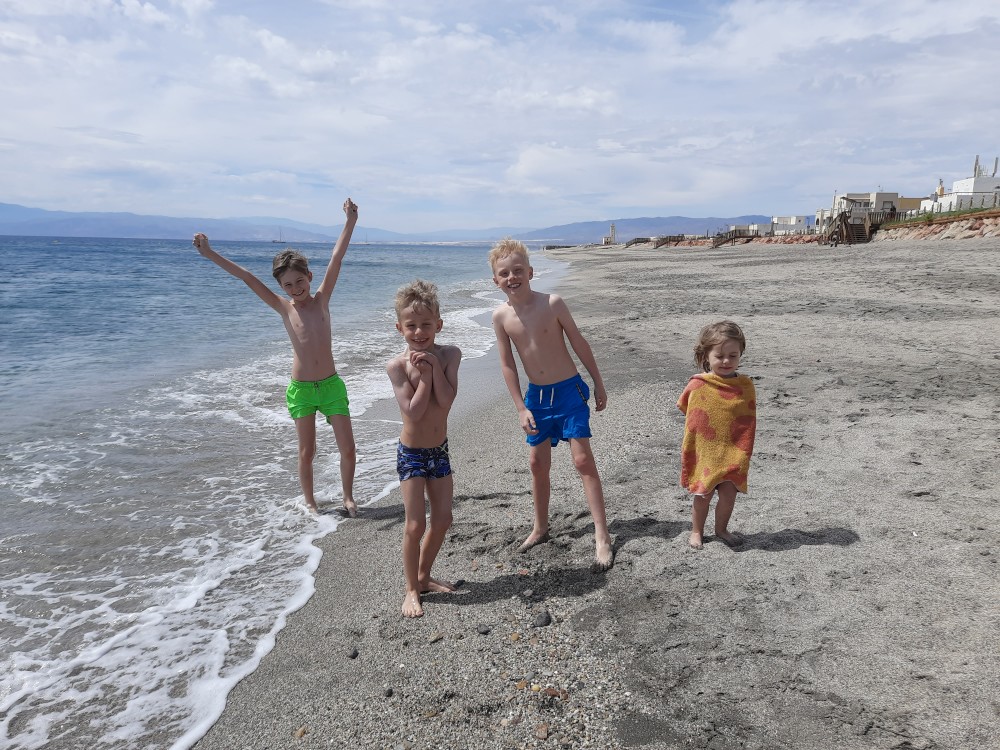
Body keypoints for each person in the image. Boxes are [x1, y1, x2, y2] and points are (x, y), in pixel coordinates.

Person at [192, 199, 359, 516]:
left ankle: (348, 497)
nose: (295, 288)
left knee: (348, 448)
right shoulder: (283, 307)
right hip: (302, 391)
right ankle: (310, 502)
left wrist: (350, 222)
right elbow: (247, 277)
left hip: (331, 387)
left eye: (300, 281)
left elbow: (337, 258)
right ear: (281, 287)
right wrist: (209, 253)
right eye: (288, 285)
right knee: (307, 451)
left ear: (310, 276)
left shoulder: (322, 300)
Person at [489, 239, 614, 572]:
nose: (512, 277)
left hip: (569, 392)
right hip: (537, 399)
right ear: (495, 280)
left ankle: (601, 533)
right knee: (537, 463)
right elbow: (507, 365)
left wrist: (598, 382)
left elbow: (579, 343)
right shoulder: (500, 316)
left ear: (530, 272)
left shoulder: (552, 303)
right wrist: (520, 407)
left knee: (582, 460)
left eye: (518, 270)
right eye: (504, 273)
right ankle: (540, 527)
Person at [386, 280, 462, 618]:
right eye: (411, 325)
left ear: (438, 325)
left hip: (439, 451)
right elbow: (413, 412)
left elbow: (446, 401)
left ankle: (424, 576)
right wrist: (425, 378)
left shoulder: (450, 355)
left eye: (426, 324)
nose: (419, 332)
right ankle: (411, 590)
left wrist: (433, 369)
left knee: (443, 519)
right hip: (412, 454)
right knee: (415, 525)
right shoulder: (397, 366)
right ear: (400, 328)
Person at [677, 320, 757, 549]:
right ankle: (696, 531)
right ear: (706, 356)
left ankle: (721, 529)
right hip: (707, 450)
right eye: (719, 356)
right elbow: (686, 407)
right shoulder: (698, 384)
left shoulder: (745, 385)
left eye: (733, 356)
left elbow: (747, 415)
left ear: (740, 354)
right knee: (703, 494)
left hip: (734, 448)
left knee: (729, 495)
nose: (726, 361)